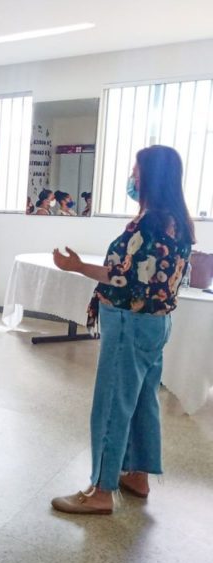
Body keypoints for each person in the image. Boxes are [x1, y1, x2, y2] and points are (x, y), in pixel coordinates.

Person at [50, 145, 195, 515]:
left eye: (136, 170)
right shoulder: (177, 221)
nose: (132, 176)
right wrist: (83, 265)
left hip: (130, 323)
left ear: (150, 176)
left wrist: (77, 267)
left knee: (113, 402)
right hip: (156, 324)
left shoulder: (147, 223)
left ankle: (101, 489)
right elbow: (143, 275)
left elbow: (121, 276)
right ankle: (138, 474)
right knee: (144, 401)